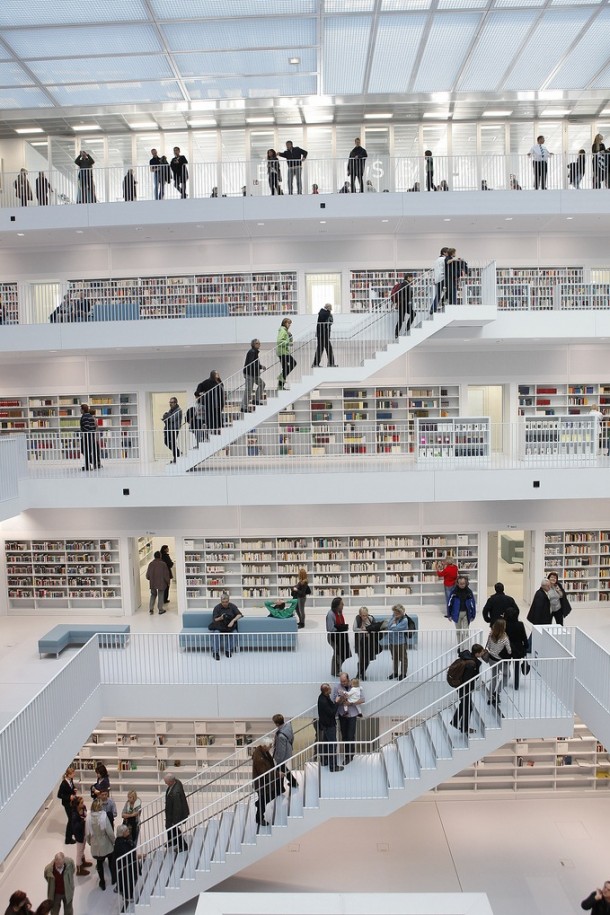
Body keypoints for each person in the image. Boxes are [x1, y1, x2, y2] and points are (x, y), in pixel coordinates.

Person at [450, 643, 486, 734]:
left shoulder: (467, 657)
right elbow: (468, 678)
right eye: (481, 652)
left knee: (465, 705)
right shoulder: (472, 664)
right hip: (465, 687)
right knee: (468, 707)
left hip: (461, 686)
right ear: (477, 653)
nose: (483, 653)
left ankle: (455, 722)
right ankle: (464, 728)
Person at [332, 672, 364, 765]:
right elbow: (335, 700)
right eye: (341, 681)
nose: (343, 683)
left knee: (351, 735)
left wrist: (351, 703)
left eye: (344, 681)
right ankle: (348, 754)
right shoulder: (337, 687)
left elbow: (362, 699)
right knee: (344, 736)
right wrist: (341, 698)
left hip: (352, 714)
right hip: (342, 714)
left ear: (348, 679)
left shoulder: (355, 686)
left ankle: (349, 755)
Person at [252, 737, 282, 830]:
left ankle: (258, 804)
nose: (271, 747)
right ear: (264, 746)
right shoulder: (259, 758)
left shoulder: (263, 751)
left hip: (266, 783)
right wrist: (277, 774)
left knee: (271, 795)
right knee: (263, 801)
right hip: (262, 784)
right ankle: (260, 818)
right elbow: (264, 773)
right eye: (270, 746)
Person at [486, 618, 511, 706]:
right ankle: (498, 692)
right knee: (507, 675)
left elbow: (488, 647)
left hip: (491, 659)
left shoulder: (491, 635)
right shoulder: (504, 638)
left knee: (494, 677)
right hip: (500, 661)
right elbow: (509, 651)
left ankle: (490, 697)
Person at [210, 592, 243, 660]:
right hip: (219, 625)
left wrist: (233, 621)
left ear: (229, 600)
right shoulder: (217, 607)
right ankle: (215, 652)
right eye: (223, 602)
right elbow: (215, 619)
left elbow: (239, 614)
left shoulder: (232, 606)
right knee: (216, 633)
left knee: (235, 633)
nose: (225, 603)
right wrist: (220, 618)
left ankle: (228, 650)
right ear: (221, 601)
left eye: (226, 602)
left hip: (230, 625)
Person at [317, 683, 342, 771]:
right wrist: (337, 702)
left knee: (327, 745)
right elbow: (332, 713)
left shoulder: (323, 697)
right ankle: (333, 766)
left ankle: (325, 761)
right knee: (332, 746)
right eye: (329, 689)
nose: (331, 689)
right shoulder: (323, 701)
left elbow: (331, 706)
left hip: (325, 725)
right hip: (329, 726)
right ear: (326, 691)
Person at [503, 605, 529, 691]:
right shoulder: (520, 624)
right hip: (518, 649)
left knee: (506, 666)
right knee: (517, 667)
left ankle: (504, 682)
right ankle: (516, 685)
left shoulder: (504, 625)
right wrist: (526, 646)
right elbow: (524, 637)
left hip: (506, 648)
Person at [163, 771, 189, 852]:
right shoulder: (176, 782)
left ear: (171, 781)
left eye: (166, 782)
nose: (165, 783)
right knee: (169, 827)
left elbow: (177, 808)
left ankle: (183, 846)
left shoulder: (175, 792)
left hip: (174, 815)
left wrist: (175, 821)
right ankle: (172, 841)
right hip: (170, 813)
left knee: (174, 829)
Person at [446, 574, 476, 643]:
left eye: (463, 584)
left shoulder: (469, 592)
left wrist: (473, 615)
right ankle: (459, 646)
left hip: (466, 614)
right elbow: (449, 604)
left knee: (466, 631)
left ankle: (465, 647)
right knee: (458, 631)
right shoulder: (454, 592)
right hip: (457, 614)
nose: (462, 585)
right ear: (457, 583)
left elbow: (473, 604)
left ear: (466, 583)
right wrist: (449, 615)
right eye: (460, 584)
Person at [353, 606, 380, 680]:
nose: (365, 617)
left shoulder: (371, 618)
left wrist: (368, 630)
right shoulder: (357, 619)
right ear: (360, 615)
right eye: (363, 615)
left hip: (370, 642)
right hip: (360, 642)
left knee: (367, 660)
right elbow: (354, 629)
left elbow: (376, 627)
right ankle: (359, 674)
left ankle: (363, 673)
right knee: (361, 659)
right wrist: (363, 631)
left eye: (366, 615)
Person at [326, 596, 351, 677]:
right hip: (334, 638)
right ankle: (336, 671)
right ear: (337, 605)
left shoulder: (339, 612)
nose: (343, 604)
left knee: (340, 653)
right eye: (341, 603)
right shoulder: (330, 614)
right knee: (338, 653)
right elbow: (330, 628)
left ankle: (336, 669)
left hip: (340, 637)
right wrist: (342, 628)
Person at [272, 713, 299, 789]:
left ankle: (281, 788)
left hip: (283, 755)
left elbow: (281, 750)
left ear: (277, 724)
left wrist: (278, 760)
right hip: (289, 750)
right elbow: (292, 737)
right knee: (282, 769)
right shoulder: (288, 726)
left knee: (280, 770)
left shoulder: (280, 736)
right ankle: (290, 784)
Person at [385, 603, 409, 681]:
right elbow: (388, 626)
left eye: (397, 612)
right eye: (394, 612)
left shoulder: (404, 620)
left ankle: (403, 674)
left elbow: (395, 629)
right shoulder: (393, 616)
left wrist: (394, 623)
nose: (395, 614)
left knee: (403, 658)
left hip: (400, 642)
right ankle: (395, 672)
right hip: (392, 642)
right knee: (394, 658)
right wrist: (394, 621)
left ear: (401, 612)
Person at [113, 824, 136, 906]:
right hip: (125, 866)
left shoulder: (121, 841)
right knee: (127, 881)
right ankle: (128, 897)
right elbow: (127, 855)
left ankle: (121, 889)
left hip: (124, 866)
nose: (128, 831)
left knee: (125, 880)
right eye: (126, 831)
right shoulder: (121, 844)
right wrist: (138, 856)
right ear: (122, 833)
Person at [241, 339, 266, 412]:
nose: (259, 344)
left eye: (259, 343)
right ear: (253, 344)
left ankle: (256, 400)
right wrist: (260, 367)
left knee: (262, 384)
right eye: (257, 343)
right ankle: (244, 407)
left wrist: (261, 366)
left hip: (254, 374)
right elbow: (251, 363)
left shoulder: (255, 352)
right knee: (248, 390)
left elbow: (255, 363)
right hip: (249, 374)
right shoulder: (252, 351)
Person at [70, 796, 91, 876]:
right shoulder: (74, 815)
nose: (83, 804)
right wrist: (83, 821)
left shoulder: (84, 808)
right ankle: (79, 869)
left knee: (83, 848)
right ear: (77, 805)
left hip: (84, 832)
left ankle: (83, 861)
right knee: (79, 851)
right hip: (79, 835)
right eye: (81, 803)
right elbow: (75, 827)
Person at [57, 767, 77, 845]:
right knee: (71, 819)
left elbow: (72, 787)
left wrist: (74, 790)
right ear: (69, 774)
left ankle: (72, 832)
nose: (74, 774)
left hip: (72, 803)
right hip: (67, 804)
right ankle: (68, 839)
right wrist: (69, 797)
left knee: (73, 818)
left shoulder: (70, 780)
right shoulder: (63, 784)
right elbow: (59, 795)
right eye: (73, 773)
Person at [146, 550, 170, 615]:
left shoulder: (151, 564)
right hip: (161, 583)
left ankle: (151, 609)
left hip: (153, 583)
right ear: (160, 556)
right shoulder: (163, 564)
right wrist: (168, 582)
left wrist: (151, 579)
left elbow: (147, 575)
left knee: (153, 595)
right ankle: (160, 609)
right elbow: (166, 575)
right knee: (161, 595)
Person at [390, 273, 414, 339]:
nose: (412, 279)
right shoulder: (405, 284)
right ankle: (405, 329)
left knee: (401, 319)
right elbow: (403, 294)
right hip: (404, 304)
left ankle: (398, 333)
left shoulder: (404, 284)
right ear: (408, 277)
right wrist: (411, 294)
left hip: (403, 304)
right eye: (411, 278)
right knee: (407, 317)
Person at [312, 303, 335, 367]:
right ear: (328, 308)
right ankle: (331, 363)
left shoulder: (323, 313)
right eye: (330, 309)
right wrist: (329, 312)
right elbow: (328, 321)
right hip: (323, 334)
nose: (331, 310)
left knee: (320, 349)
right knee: (328, 349)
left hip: (322, 334)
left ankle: (315, 364)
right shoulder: (325, 313)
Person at [276, 317, 295, 391]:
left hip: (284, 352)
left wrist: (290, 336)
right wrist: (288, 342)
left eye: (290, 323)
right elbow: (279, 341)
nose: (289, 325)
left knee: (286, 368)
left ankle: (280, 385)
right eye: (288, 323)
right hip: (282, 352)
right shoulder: (282, 330)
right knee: (292, 363)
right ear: (284, 323)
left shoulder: (285, 331)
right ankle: (281, 380)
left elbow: (290, 342)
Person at [162, 396, 182, 463]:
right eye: (170, 402)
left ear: (176, 403)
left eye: (172, 402)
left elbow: (171, 419)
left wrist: (166, 416)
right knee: (166, 442)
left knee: (173, 443)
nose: (171, 404)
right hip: (169, 429)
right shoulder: (171, 410)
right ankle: (178, 453)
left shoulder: (178, 410)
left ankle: (176, 457)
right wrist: (166, 417)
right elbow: (167, 419)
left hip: (174, 429)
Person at [431, 246, 449, 314]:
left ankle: (433, 308)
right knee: (451, 290)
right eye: (448, 252)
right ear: (444, 253)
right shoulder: (444, 259)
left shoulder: (436, 260)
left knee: (438, 294)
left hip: (437, 279)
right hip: (442, 277)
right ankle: (443, 301)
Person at [79, 403, 96, 472]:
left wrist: (82, 431)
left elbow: (86, 427)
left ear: (83, 409)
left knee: (85, 450)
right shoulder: (90, 416)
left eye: (80, 409)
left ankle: (88, 464)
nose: (80, 410)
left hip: (86, 435)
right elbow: (93, 426)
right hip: (91, 435)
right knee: (88, 450)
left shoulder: (85, 417)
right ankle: (90, 463)